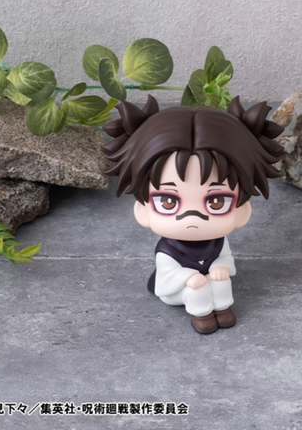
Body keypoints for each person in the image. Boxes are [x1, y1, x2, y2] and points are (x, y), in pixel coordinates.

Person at [102, 95, 284, 334]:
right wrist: (187, 277)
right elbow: (168, 274)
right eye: (168, 201)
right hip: (177, 290)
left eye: (216, 201)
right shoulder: (168, 251)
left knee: (221, 280)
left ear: (241, 210)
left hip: (209, 281)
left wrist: (221, 267)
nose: (192, 217)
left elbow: (224, 259)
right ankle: (202, 316)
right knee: (196, 289)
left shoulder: (218, 242)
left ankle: (223, 309)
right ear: (143, 210)